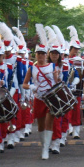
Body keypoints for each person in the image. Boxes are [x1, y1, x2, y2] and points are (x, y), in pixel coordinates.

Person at [21, 27, 61, 160]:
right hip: (39, 98)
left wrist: (57, 77)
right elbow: (24, 84)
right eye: (38, 53)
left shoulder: (53, 67)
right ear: (36, 54)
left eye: (43, 53)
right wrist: (31, 87)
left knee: (50, 122)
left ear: (46, 54)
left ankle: (46, 149)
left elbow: (57, 83)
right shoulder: (32, 68)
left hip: (50, 98)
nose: (41, 56)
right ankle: (44, 145)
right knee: (41, 124)